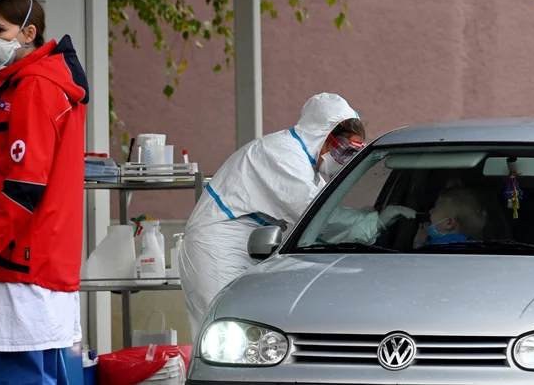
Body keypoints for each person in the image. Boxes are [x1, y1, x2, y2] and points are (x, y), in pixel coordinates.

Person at [179, 93, 416, 340]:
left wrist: (364, 215)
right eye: (344, 150)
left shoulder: (303, 165)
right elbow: (318, 216)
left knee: (246, 337)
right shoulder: (282, 157)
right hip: (216, 250)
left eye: (354, 154)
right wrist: (372, 223)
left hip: (245, 247)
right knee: (223, 334)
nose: (344, 160)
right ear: (323, 136)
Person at [0, 0, 88, 383]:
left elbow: (22, 186)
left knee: (22, 374)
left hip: (25, 260)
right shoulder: (41, 83)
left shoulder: (36, 87)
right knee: (49, 371)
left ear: (28, 33)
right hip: (45, 257)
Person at [414, 187, 487, 248]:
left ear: (449, 223)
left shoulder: (437, 247)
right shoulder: (472, 247)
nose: (430, 211)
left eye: (435, 208)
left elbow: (418, 262)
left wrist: (418, 244)